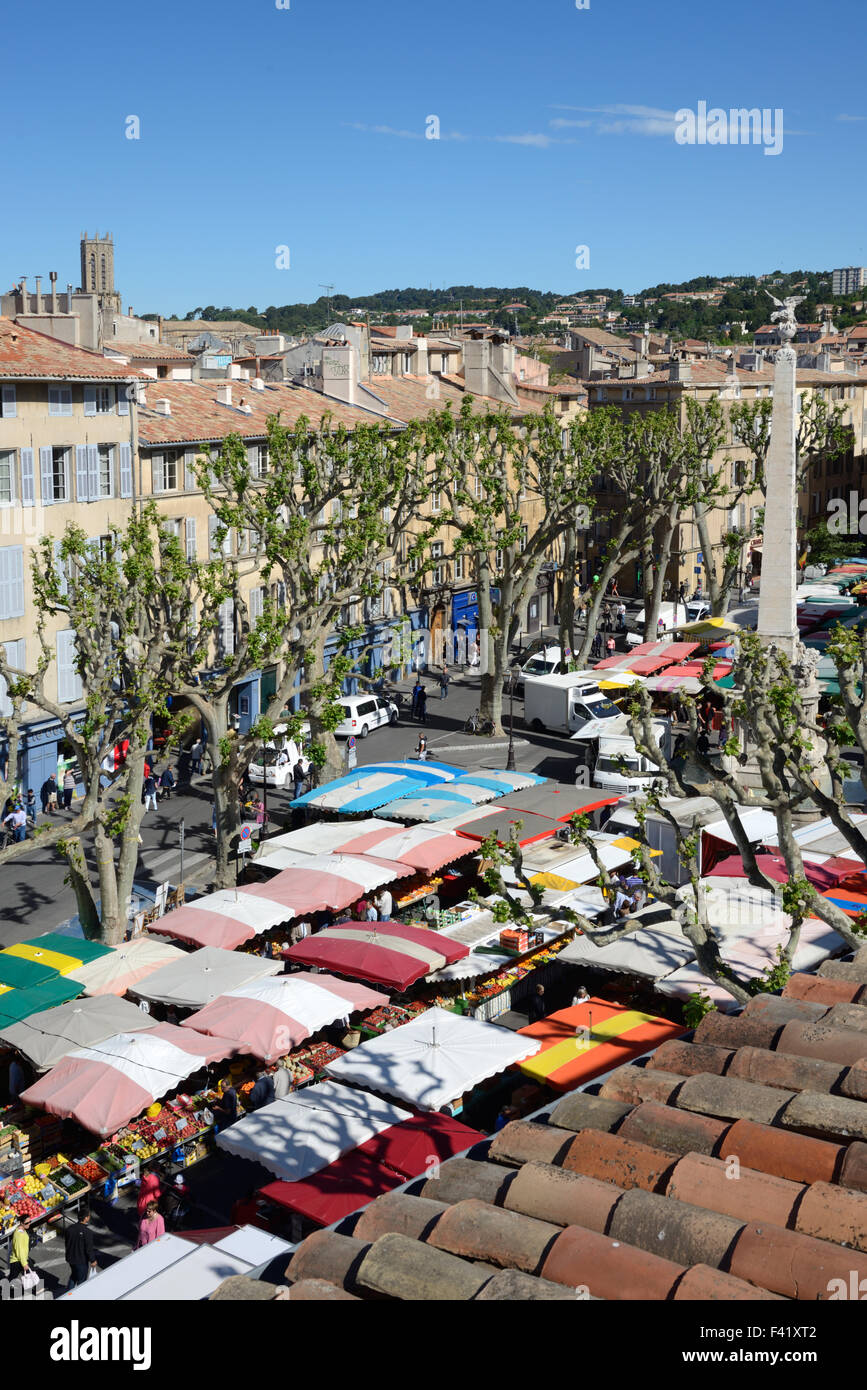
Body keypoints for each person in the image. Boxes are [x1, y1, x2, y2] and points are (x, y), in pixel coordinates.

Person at [65, 1207, 98, 1289]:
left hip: (70, 1259)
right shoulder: (88, 1233)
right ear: (86, 1218)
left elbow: (67, 1243)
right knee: (81, 1281)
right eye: (89, 1216)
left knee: (74, 1276)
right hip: (80, 1261)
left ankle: (68, 1294)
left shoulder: (70, 1229)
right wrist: (93, 1260)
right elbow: (89, 1249)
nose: (89, 1217)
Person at [10, 1216, 33, 1282]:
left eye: (30, 1222)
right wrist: (24, 1264)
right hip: (17, 1261)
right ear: (21, 1223)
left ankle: (38, 1288)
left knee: (12, 1277)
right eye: (26, 1223)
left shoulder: (22, 1230)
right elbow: (19, 1251)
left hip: (21, 1259)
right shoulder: (18, 1235)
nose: (29, 1224)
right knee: (12, 1278)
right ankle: (39, 1289)